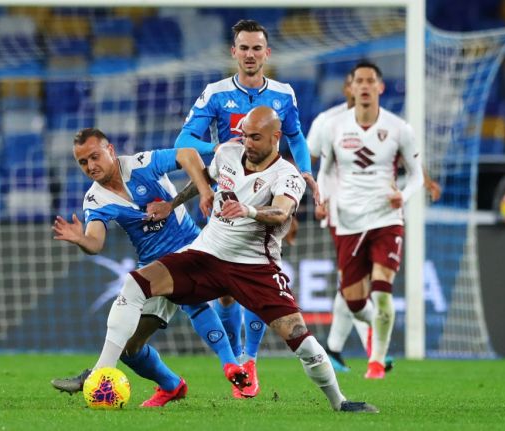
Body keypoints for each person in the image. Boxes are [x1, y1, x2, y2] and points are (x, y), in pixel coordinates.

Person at [89, 106, 378, 413]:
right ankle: (101, 373)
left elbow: (281, 212)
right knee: (136, 284)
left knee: (298, 336)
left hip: (254, 267)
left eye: (255, 137)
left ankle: (339, 402)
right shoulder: (228, 152)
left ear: (276, 137)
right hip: (206, 254)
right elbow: (205, 176)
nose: (247, 142)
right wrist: (173, 203)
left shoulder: (288, 175)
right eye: (244, 135)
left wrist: (249, 211)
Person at [50, 128, 250, 407]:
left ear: (110, 150)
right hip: (153, 268)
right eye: (83, 162)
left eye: (94, 157)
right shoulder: (95, 199)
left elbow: (187, 154)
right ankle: (172, 386)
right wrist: (81, 239)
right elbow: (95, 242)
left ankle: (234, 365)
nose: (90, 166)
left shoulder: (142, 164)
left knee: (192, 299)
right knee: (129, 347)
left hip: (190, 248)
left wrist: (205, 190)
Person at [174, 19, 318, 398]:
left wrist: (303, 172)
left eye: (257, 48)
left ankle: (248, 359)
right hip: (228, 196)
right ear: (233, 52)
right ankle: (239, 356)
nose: (250, 54)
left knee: (257, 277)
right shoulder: (216, 94)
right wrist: (226, 151)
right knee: (224, 290)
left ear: (266, 53)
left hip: (272, 192)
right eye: (244, 48)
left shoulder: (284, 94)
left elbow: (296, 136)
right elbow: (185, 140)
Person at [308, 72, 441, 373]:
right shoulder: (328, 123)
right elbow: (313, 159)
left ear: (378, 86)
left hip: (383, 214)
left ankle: (361, 350)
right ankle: (365, 335)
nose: (363, 87)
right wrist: (320, 197)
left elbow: (407, 161)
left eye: (370, 82)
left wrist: (419, 185)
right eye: (358, 82)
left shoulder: (393, 126)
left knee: (374, 289)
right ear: (349, 87)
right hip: (343, 214)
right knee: (351, 289)